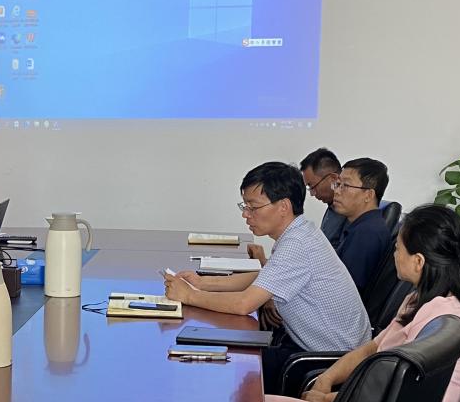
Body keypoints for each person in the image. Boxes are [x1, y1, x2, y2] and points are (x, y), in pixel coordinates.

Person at [263, 203, 460, 402]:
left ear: (419, 261)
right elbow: (372, 348)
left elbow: (396, 393)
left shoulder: (441, 316)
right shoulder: (420, 299)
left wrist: (327, 399)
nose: (394, 255)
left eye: (398, 249)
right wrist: (326, 380)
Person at [163, 161, 369, 382]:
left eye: (253, 207)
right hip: (315, 349)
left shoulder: (297, 244)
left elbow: (244, 304)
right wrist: (202, 283)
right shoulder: (300, 232)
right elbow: (266, 276)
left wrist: (189, 296)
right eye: (245, 207)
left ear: (283, 206)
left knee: (225, 366)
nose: (246, 215)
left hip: (327, 363)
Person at [330, 157, 398, 315]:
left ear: (368, 195)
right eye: (337, 184)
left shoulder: (367, 234)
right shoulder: (363, 226)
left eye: (346, 185)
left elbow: (345, 293)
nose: (337, 191)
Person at [300, 148, 344, 243]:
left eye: (313, 186)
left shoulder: (351, 213)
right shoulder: (332, 207)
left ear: (333, 178)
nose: (312, 194)